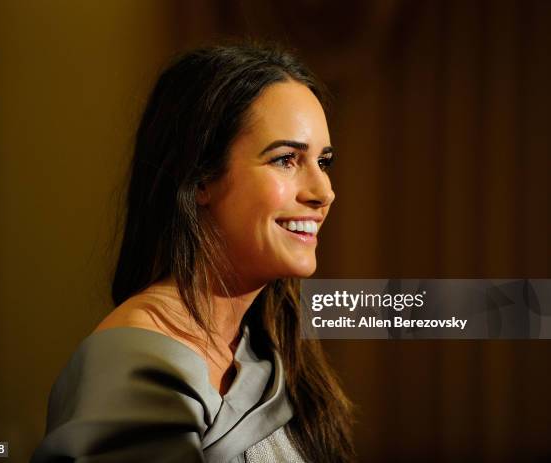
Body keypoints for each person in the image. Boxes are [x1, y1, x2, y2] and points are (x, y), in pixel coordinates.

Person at [31, 40, 355, 463]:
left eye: (323, 162)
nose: (322, 191)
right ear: (200, 179)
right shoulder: (134, 365)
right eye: (285, 160)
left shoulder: (267, 351)